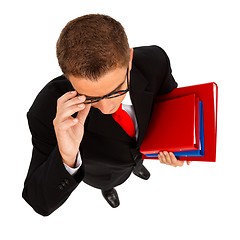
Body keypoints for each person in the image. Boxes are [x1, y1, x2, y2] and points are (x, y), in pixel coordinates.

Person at [22, 14, 190, 216]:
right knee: (108, 182)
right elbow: (39, 201)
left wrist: (179, 145)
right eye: (89, 96)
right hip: (104, 173)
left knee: (137, 162)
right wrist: (67, 156)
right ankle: (107, 190)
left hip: (145, 150)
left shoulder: (155, 61)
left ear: (129, 59)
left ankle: (137, 167)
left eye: (116, 91)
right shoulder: (46, 110)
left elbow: (168, 102)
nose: (106, 107)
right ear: (68, 78)